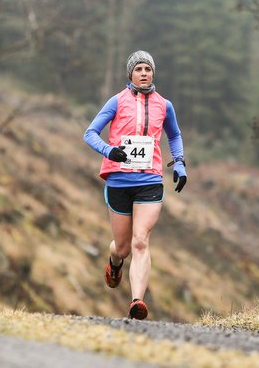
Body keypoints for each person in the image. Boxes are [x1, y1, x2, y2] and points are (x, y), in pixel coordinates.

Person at [83, 50, 187, 320]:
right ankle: (115, 263)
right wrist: (109, 151)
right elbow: (89, 133)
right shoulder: (117, 101)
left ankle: (136, 301)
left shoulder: (165, 105)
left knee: (141, 241)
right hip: (119, 179)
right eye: (139, 69)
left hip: (150, 180)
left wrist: (179, 163)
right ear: (130, 73)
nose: (144, 73)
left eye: (148, 69)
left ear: (153, 73)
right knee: (123, 247)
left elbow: (174, 135)